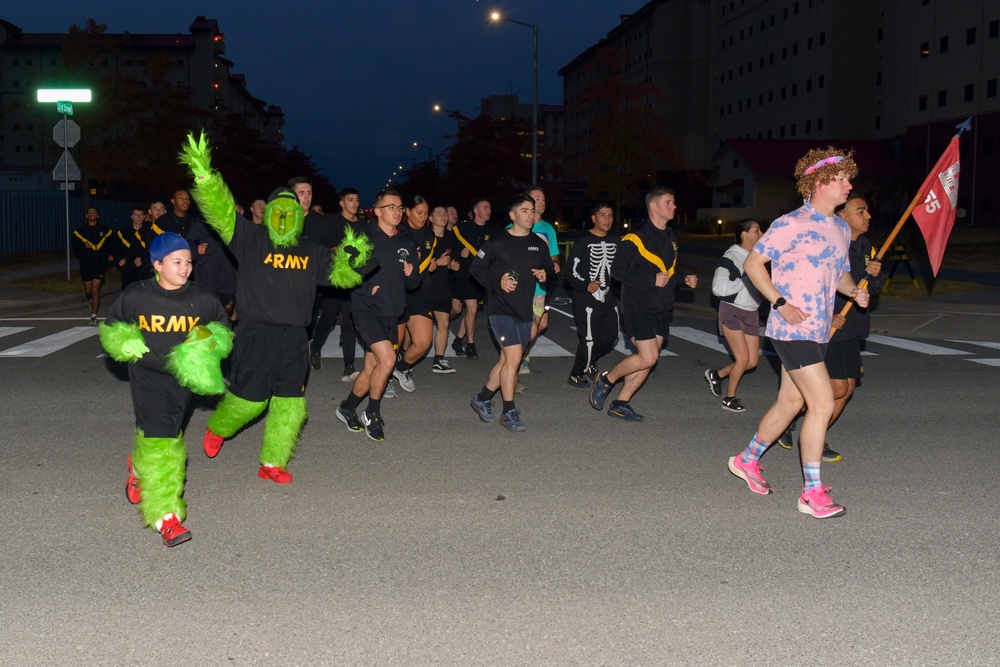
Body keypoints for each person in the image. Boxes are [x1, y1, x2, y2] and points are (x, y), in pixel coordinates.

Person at [179, 132, 364, 484]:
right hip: (255, 334)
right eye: (277, 210)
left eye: (289, 211)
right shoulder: (250, 238)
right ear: (268, 213)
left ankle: (272, 463)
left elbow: (340, 275)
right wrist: (205, 177)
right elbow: (220, 213)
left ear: (298, 215)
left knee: (290, 405)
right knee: (250, 402)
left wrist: (356, 255)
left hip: (295, 338)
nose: (283, 215)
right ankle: (218, 427)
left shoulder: (310, 249)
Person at [726, 147, 870, 520]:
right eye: (842, 179)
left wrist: (853, 290)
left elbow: (838, 273)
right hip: (791, 328)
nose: (848, 185)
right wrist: (778, 302)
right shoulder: (790, 223)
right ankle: (811, 492)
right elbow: (755, 265)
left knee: (791, 404)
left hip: (819, 330)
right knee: (821, 404)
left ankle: (747, 460)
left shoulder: (840, 227)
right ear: (821, 182)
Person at [99, 232, 234, 547]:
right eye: (177, 262)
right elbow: (112, 325)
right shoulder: (137, 296)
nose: (185, 268)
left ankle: (137, 464)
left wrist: (207, 344)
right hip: (148, 377)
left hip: (183, 380)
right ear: (157, 265)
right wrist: (122, 341)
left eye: (188, 262)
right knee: (166, 446)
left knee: (164, 434)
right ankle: (166, 517)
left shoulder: (202, 298)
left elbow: (223, 331)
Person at [776, 194, 884, 462]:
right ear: (843, 217)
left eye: (867, 210)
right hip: (831, 326)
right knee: (834, 390)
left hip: (854, 326)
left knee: (846, 390)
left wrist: (875, 274)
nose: (868, 216)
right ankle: (792, 423)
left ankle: (816, 435)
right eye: (861, 211)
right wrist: (827, 314)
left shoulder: (866, 245)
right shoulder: (835, 242)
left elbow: (871, 290)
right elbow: (812, 283)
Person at [589, 187, 698, 421]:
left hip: (662, 306)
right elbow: (617, 270)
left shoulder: (671, 237)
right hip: (638, 306)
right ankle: (606, 379)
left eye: (674, 202)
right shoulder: (635, 237)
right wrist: (651, 280)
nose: (674, 207)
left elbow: (669, 271)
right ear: (654, 206)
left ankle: (621, 403)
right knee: (648, 357)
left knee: (648, 360)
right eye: (668, 202)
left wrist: (683, 279)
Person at [336, 189, 420, 442]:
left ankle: (347, 407)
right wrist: (364, 286)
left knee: (372, 367)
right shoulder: (363, 237)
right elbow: (342, 270)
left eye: (399, 207)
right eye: (391, 207)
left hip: (392, 312)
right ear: (379, 211)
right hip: (366, 310)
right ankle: (372, 412)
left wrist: (409, 273)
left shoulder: (405, 241)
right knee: (388, 360)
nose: (397, 211)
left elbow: (414, 282)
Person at [469, 194, 555, 431]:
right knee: (515, 358)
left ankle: (482, 398)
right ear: (512, 215)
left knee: (507, 359)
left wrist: (545, 276)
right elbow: (475, 269)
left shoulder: (538, 243)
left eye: (532, 210)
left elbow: (550, 272)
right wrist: (499, 281)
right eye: (525, 210)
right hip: (500, 310)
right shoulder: (497, 242)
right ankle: (508, 411)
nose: (530, 215)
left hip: (526, 310)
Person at [705, 219, 763, 412]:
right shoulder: (731, 256)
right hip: (732, 310)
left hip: (751, 312)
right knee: (742, 359)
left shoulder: (758, 257)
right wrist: (745, 281)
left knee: (752, 361)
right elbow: (717, 288)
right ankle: (729, 399)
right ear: (744, 234)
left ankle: (717, 375)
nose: (761, 233)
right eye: (756, 230)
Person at [306, 186, 363, 383]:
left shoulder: (362, 225)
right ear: (341, 203)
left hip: (353, 280)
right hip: (334, 278)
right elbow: (329, 248)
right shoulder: (332, 223)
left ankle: (349, 366)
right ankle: (314, 349)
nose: (354, 203)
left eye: (356, 200)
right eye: (350, 200)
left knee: (349, 321)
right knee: (328, 318)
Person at [566, 202, 620, 388]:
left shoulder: (615, 240)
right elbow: (569, 271)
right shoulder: (583, 241)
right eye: (603, 214)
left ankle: (589, 361)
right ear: (594, 218)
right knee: (589, 338)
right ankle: (576, 373)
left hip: (607, 294)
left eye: (610, 215)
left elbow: (622, 268)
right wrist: (585, 284)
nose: (607, 219)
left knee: (612, 336)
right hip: (586, 296)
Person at [392, 195, 435, 391]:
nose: (423, 217)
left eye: (426, 213)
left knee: (423, 342)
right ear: (407, 211)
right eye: (419, 212)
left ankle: (400, 368)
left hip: (419, 292)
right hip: (397, 292)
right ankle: (383, 379)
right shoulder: (397, 232)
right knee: (394, 345)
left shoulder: (429, 235)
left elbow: (424, 265)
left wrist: (418, 262)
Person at [518, 186, 562, 375]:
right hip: (521, 286)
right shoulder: (516, 227)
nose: (542, 202)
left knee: (541, 325)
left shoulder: (548, 229)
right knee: (530, 326)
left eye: (543, 198)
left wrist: (555, 264)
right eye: (537, 198)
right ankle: (516, 362)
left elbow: (554, 255)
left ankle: (521, 355)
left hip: (541, 287)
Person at [450, 198, 494, 359]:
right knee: (473, 308)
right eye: (485, 207)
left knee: (471, 311)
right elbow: (452, 250)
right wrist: (459, 254)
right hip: (465, 275)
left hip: (482, 278)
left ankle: (457, 340)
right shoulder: (461, 229)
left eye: (489, 207)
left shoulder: (492, 231)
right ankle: (471, 344)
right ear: (476, 210)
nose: (489, 210)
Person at [187, 217, 238, 319]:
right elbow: (187, 245)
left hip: (228, 284)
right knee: (204, 319)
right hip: (206, 281)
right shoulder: (200, 222)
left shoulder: (232, 222)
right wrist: (196, 250)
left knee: (224, 320)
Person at [428, 205, 459, 373]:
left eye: (444, 213)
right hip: (424, 288)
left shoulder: (450, 237)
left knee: (444, 323)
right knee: (417, 332)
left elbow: (451, 259)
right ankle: (403, 356)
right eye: (438, 213)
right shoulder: (425, 237)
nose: (443, 216)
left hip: (442, 287)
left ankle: (438, 360)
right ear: (430, 218)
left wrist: (453, 264)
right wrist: (437, 262)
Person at [72, 206, 114, 325]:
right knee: (88, 290)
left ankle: (94, 317)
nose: (92, 213)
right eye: (90, 212)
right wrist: (83, 247)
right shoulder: (80, 231)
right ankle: (91, 300)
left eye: (94, 212)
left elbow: (112, 244)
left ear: (98, 216)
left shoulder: (105, 230)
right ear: (86, 216)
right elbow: (74, 247)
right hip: (86, 264)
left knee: (96, 290)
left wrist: (110, 255)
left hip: (99, 264)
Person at [113, 207, 154, 291]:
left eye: (141, 214)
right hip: (128, 269)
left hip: (144, 269)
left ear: (144, 217)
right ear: (132, 217)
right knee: (128, 293)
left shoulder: (149, 232)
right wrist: (119, 260)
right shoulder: (122, 233)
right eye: (136, 214)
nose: (138, 217)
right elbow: (116, 248)